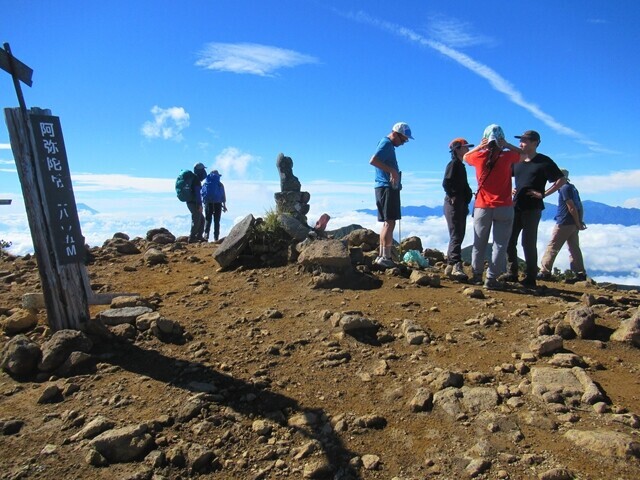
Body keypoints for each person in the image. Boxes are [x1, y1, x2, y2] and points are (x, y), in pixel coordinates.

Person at [463, 124, 521, 289]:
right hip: (504, 207)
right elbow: (524, 154)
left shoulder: (478, 157)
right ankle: (491, 278)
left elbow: (465, 156)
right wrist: (507, 145)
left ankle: (476, 276)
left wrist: (479, 147)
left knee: (479, 243)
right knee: (500, 245)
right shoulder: (508, 157)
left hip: (482, 207)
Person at [505, 130, 565, 288]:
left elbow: (561, 179)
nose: (521, 143)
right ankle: (512, 273)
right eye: (521, 140)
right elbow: (505, 175)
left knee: (528, 242)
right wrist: (510, 188)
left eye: (524, 140)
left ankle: (531, 277)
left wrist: (544, 194)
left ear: (535, 142)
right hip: (516, 205)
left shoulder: (543, 161)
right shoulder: (517, 160)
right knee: (509, 240)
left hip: (532, 208)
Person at [369, 122, 414, 268]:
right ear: (396, 134)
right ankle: (385, 258)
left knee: (387, 223)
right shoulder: (386, 144)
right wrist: (392, 171)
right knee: (390, 222)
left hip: (384, 187)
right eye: (403, 139)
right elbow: (373, 160)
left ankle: (383, 256)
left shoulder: (386, 144)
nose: (404, 143)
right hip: (386, 188)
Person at [538, 169, 587, 281]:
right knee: (574, 248)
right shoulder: (572, 188)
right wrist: (579, 221)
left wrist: (578, 221)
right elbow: (579, 205)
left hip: (564, 222)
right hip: (573, 224)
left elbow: (571, 207)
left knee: (553, 246)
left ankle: (544, 272)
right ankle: (580, 273)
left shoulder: (564, 188)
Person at [442, 137, 474, 281]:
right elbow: (446, 182)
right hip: (454, 204)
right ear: (457, 149)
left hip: (459, 203)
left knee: (457, 234)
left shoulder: (459, 165)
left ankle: (450, 266)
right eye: (465, 147)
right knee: (456, 234)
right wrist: (454, 196)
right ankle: (456, 266)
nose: (468, 149)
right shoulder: (454, 164)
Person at [202, 169, 227, 242]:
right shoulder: (220, 184)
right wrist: (224, 205)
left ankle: (206, 235)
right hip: (218, 204)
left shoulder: (206, 183)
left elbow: (202, 193)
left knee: (208, 219)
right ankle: (216, 237)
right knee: (217, 221)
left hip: (208, 203)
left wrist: (204, 202)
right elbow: (223, 195)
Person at [187, 162, 207, 243]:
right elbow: (197, 193)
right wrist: (199, 205)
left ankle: (199, 236)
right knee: (196, 219)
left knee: (201, 219)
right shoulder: (196, 180)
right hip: (194, 202)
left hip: (191, 202)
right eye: (203, 170)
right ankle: (192, 238)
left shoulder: (194, 178)